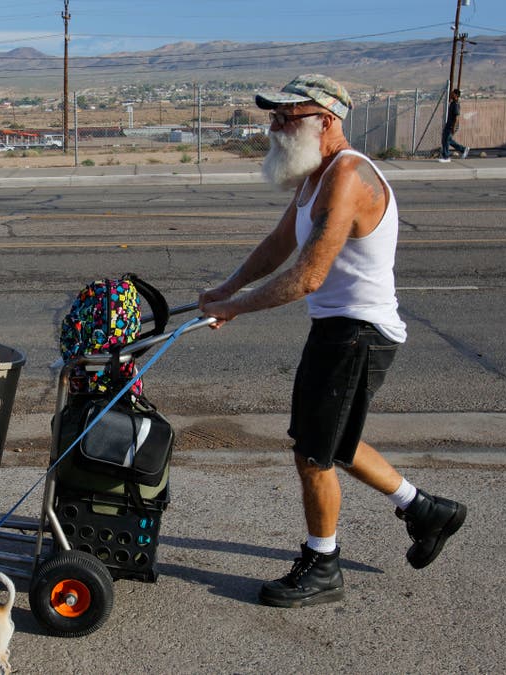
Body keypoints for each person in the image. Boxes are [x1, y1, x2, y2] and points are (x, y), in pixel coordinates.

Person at [198, 74, 467, 608]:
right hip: (341, 329)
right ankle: (425, 510)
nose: (275, 127)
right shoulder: (314, 176)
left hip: (357, 332)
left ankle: (323, 564)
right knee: (335, 442)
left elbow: (308, 276)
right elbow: (280, 242)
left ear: (327, 120)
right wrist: (228, 286)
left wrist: (236, 308)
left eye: (286, 117)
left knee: (313, 453)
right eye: (274, 117)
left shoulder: (348, 175)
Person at [439, 88, 469, 162]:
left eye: (452, 93)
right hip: (449, 124)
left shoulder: (456, 105)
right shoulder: (452, 103)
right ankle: (463, 149)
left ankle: (446, 157)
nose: (451, 94)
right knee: (447, 139)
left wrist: (454, 127)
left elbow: (456, 117)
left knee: (446, 140)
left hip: (452, 125)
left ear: (456, 95)